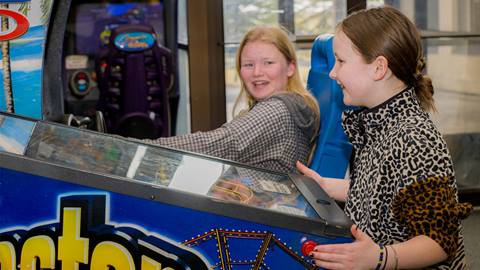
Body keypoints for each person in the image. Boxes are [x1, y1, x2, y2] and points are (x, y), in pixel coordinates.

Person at [296, 6, 473, 270]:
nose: (333, 73)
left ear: (379, 68)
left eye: (341, 61)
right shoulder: (378, 122)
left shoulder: (415, 139)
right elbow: (386, 191)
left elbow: (439, 242)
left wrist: (380, 258)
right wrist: (327, 186)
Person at [146, 25, 320, 174]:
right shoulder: (289, 103)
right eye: (248, 64)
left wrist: (142, 149)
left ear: (290, 68)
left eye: (268, 63)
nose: (257, 72)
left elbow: (223, 143)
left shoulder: (277, 109)